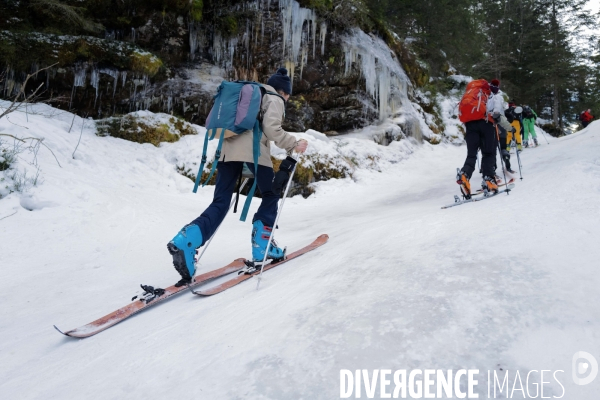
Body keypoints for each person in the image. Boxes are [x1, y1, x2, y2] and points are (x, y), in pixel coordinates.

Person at [167, 68, 309, 284]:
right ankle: (263, 245)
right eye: (288, 95)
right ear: (285, 92)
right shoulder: (275, 97)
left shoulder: (251, 93)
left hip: (226, 153)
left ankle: (187, 239)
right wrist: (293, 143)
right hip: (254, 154)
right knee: (271, 193)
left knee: (221, 201)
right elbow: (271, 129)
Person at [457, 79, 514, 197]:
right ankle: (489, 179)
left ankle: (464, 175)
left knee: (471, 154)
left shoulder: (473, 94)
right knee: (489, 153)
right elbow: (498, 114)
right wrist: (510, 128)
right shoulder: (493, 95)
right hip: (487, 124)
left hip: (470, 125)